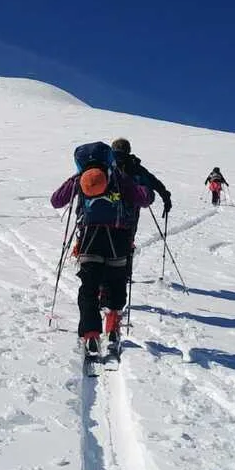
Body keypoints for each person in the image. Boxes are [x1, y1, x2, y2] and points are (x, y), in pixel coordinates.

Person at [51, 142, 154, 356]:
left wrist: (76, 180)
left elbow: (56, 201)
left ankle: (90, 335)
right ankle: (113, 326)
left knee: (89, 288)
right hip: (118, 239)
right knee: (116, 282)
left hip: (89, 238)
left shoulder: (81, 178)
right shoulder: (118, 176)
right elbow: (145, 198)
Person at [110, 137, 171, 282]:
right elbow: (154, 182)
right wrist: (165, 197)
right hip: (130, 213)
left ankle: (105, 275)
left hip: (108, 209)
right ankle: (125, 274)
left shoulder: (106, 163)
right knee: (127, 241)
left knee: (108, 239)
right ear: (128, 150)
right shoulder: (136, 167)